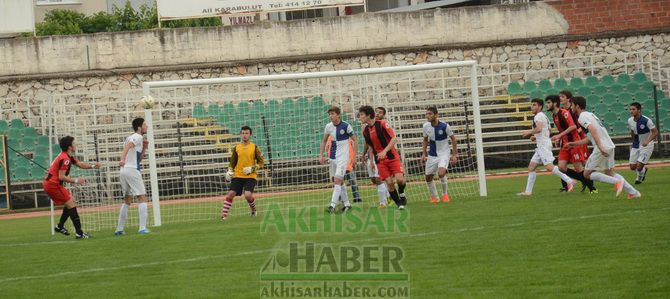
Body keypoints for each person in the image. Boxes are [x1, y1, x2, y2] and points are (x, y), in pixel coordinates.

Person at [567, 96, 641, 198]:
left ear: (577, 106)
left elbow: (593, 130)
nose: (570, 107)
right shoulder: (590, 114)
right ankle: (634, 193)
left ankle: (616, 182)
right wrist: (574, 144)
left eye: (572, 105)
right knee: (609, 172)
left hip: (602, 146)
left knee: (586, 174)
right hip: (609, 145)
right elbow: (590, 136)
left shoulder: (582, 117)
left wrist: (600, 147)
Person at [45, 136, 101, 239]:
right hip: (53, 185)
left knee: (71, 201)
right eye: (74, 144)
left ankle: (60, 226)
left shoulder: (67, 156)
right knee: (71, 203)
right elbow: (61, 176)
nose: (76, 145)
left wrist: (93, 166)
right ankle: (79, 233)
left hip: (53, 184)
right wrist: (76, 180)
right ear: (70, 147)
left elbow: (80, 164)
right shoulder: (65, 159)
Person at [517, 99, 576, 196]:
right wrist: (535, 136)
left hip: (543, 146)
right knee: (531, 167)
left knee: (549, 166)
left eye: (534, 105)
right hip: (542, 145)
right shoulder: (543, 116)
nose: (532, 106)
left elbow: (539, 129)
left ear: (540, 106)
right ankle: (528, 192)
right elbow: (547, 129)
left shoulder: (539, 116)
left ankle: (570, 181)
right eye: (531, 104)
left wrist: (529, 132)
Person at [359, 105, 408, 209]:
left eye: (362, 115)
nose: (360, 117)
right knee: (389, 183)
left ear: (368, 115)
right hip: (380, 160)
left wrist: (385, 151)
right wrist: (367, 158)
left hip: (391, 156)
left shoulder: (382, 124)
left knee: (400, 180)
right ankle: (399, 204)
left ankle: (402, 192)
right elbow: (371, 147)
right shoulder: (365, 130)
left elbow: (394, 139)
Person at [545, 95, 597, 193]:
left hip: (573, 142)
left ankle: (592, 188)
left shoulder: (564, 113)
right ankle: (583, 181)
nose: (546, 105)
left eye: (548, 102)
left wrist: (559, 135)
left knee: (578, 168)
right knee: (561, 167)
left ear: (555, 103)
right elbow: (563, 129)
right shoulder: (554, 115)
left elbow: (573, 126)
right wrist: (558, 138)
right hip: (565, 143)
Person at [221, 126, 265, 220]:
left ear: (250, 135)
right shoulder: (237, 147)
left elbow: (261, 162)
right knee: (230, 194)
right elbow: (232, 162)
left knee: (248, 195)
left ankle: (253, 210)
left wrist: (253, 168)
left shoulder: (254, 147)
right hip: (238, 175)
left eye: (246, 133)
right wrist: (229, 170)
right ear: (241, 134)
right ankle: (224, 216)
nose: (244, 135)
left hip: (250, 176)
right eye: (243, 133)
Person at [319, 106, 358, 213]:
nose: (331, 116)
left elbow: (355, 140)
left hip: (343, 158)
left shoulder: (346, 126)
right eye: (329, 114)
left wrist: (354, 157)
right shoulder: (328, 127)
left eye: (332, 114)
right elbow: (323, 141)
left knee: (337, 180)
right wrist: (321, 155)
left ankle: (332, 206)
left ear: (338, 115)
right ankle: (347, 204)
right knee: (339, 182)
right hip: (332, 158)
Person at [116, 118, 150, 235]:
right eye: (145, 124)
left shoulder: (131, 137)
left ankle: (119, 229)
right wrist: (122, 159)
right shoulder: (137, 136)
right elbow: (128, 147)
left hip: (123, 171)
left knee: (127, 200)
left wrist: (144, 148)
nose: (147, 126)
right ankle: (142, 228)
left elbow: (138, 159)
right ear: (139, 127)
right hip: (131, 170)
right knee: (142, 197)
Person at [421, 107, 457, 203]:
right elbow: (425, 140)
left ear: (436, 115)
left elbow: (453, 139)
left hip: (444, 153)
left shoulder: (445, 126)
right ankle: (434, 197)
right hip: (432, 155)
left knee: (441, 173)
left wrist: (454, 155)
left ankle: (445, 195)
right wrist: (424, 154)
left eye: (430, 114)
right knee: (428, 177)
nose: (427, 116)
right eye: (426, 114)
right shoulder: (425, 126)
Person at [627, 102, 658, 184]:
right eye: (630, 109)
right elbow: (632, 131)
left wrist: (647, 141)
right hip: (636, 144)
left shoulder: (646, 120)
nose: (631, 111)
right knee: (632, 167)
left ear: (639, 110)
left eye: (633, 109)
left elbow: (655, 132)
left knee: (639, 167)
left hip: (647, 145)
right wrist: (633, 141)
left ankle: (639, 178)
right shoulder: (630, 120)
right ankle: (644, 170)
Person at [327, 136, 362, 203]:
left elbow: (353, 147)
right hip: (338, 164)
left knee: (353, 181)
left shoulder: (348, 136)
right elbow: (329, 150)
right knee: (338, 182)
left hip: (349, 163)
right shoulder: (330, 137)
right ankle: (341, 199)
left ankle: (357, 198)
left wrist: (353, 159)